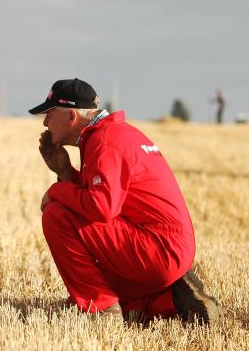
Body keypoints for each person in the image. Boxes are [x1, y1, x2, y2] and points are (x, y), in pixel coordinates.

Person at [30, 78, 220, 325]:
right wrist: (66, 173)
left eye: (49, 114)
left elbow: (100, 208)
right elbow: (107, 200)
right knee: (95, 300)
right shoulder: (117, 134)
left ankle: (101, 311)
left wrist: (57, 191)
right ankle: (174, 300)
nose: (45, 123)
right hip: (170, 250)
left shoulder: (104, 142)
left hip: (157, 250)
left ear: (71, 117)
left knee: (56, 214)